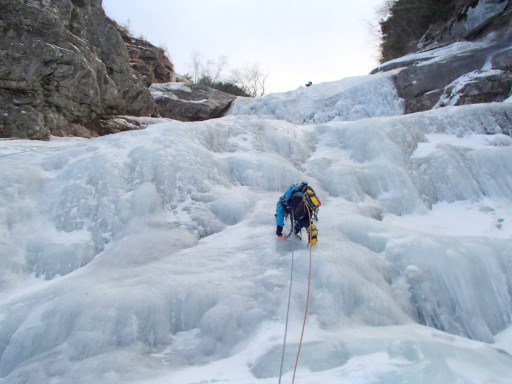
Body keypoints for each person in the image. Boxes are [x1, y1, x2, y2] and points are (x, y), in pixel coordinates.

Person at [275, 181, 320, 246]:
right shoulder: (303, 188)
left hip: (296, 200)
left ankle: (296, 230)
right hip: (308, 202)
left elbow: (279, 214)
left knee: (297, 216)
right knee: (305, 219)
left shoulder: (282, 200)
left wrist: (279, 232)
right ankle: (311, 228)